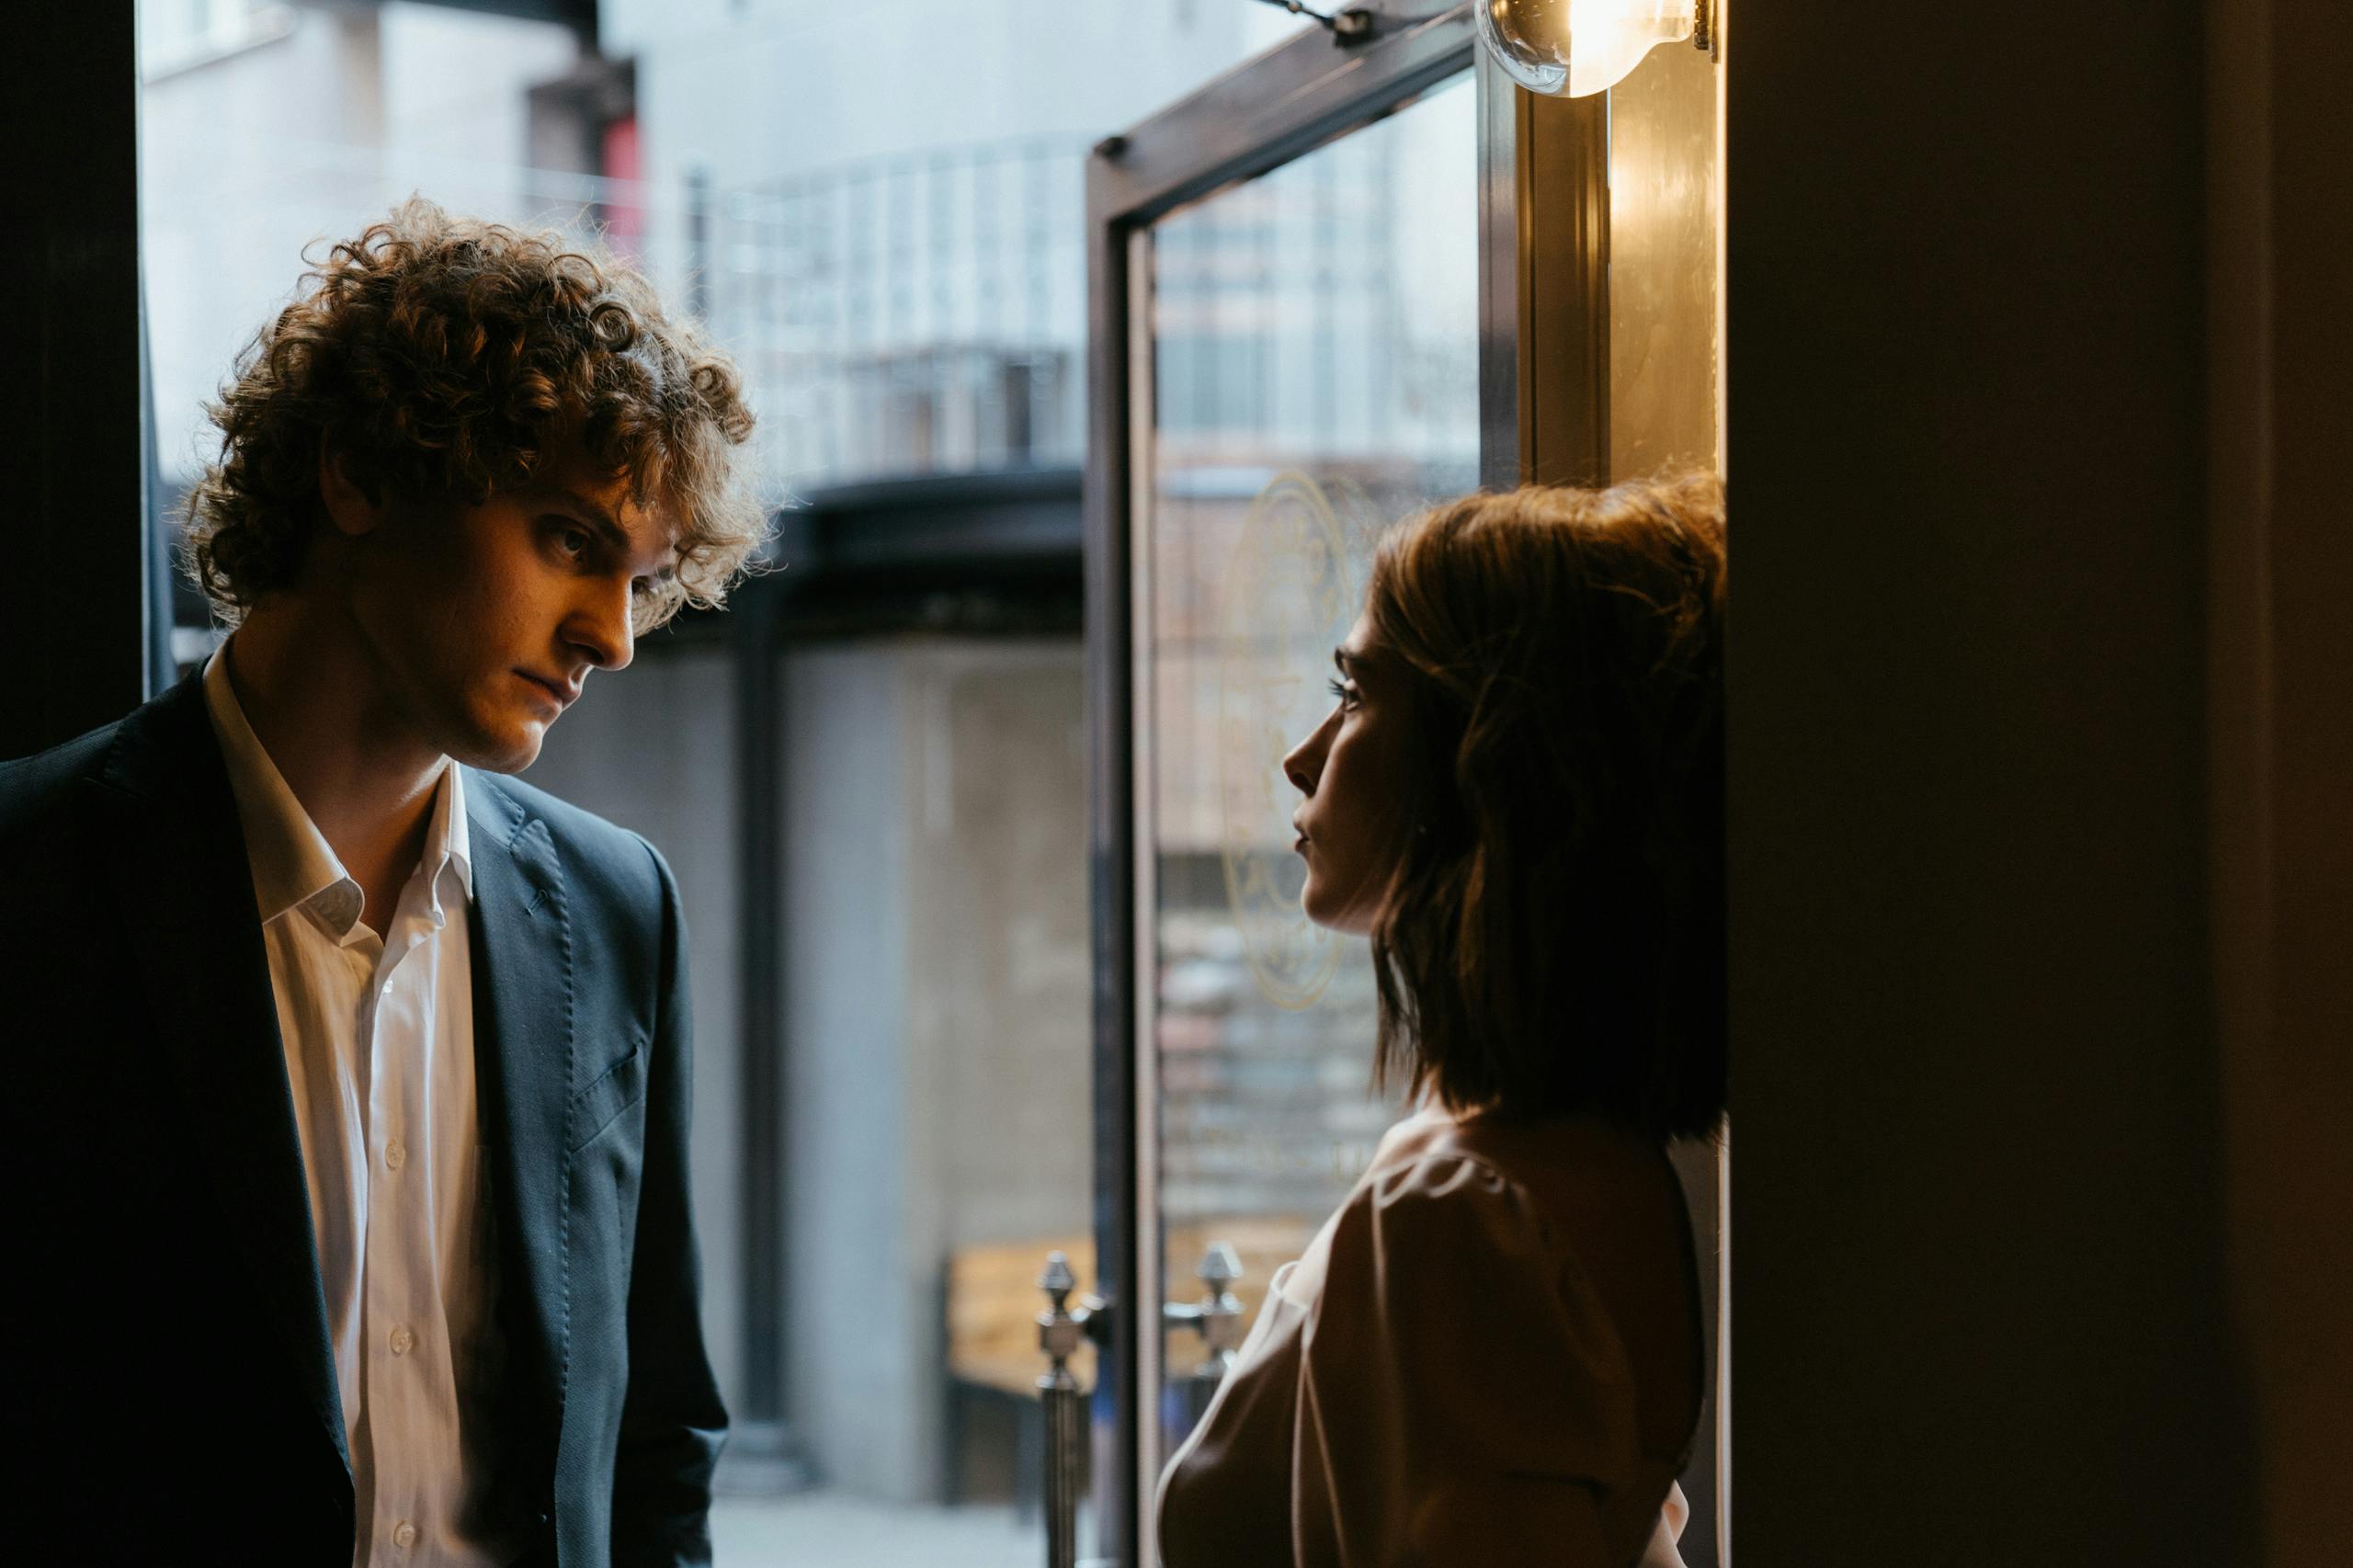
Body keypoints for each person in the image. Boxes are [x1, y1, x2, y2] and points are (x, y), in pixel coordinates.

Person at [0, 200, 765, 1566]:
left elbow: (653, 1436)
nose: (613, 637)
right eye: (568, 537)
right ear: (360, 472)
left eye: (641, 582)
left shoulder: (615, 907)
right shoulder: (29, 872)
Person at [1157, 474, 1729, 1567]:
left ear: (1485, 761)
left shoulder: (1459, 1216)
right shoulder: (1593, 1166)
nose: (1303, 755)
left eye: (1355, 692)